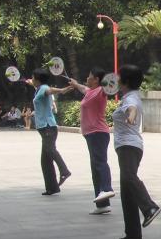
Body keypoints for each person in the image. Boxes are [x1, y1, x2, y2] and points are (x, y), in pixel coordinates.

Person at [112, 65, 160, 239]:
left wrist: (131, 116)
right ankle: (132, 233)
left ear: (125, 82)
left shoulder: (130, 98)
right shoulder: (128, 96)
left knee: (129, 177)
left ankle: (149, 208)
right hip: (127, 146)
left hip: (128, 147)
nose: (116, 80)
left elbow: (131, 109)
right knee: (126, 191)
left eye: (119, 78)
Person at [66, 68, 116, 214]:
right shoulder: (90, 91)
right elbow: (83, 89)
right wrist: (75, 84)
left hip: (98, 133)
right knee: (95, 168)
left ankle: (107, 189)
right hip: (90, 134)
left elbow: (110, 87)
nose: (87, 78)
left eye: (89, 76)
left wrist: (113, 80)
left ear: (96, 80)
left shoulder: (101, 91)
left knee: (100, 163)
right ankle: (102, 205)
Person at [27, 68, 71, 196]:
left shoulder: (44, 88)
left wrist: (62, 90)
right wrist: (30, 82)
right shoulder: (38, 89)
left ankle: (64, 170)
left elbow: (49, 90)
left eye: (33, 77)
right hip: (44, 128)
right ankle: (52, 188)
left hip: (48, 127)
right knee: (45, 160)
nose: (32, 79)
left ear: (38, 79)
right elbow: (34, 84)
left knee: (50, 150)